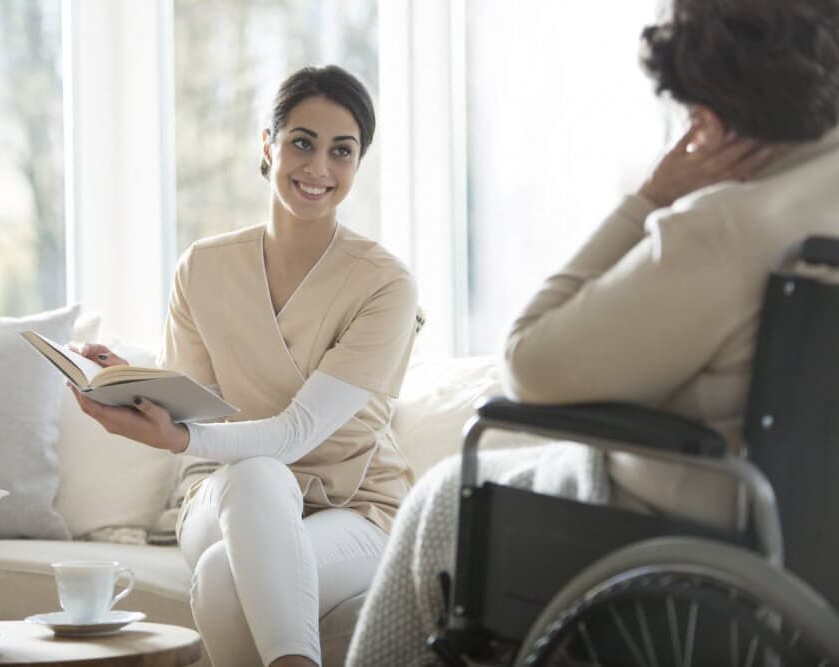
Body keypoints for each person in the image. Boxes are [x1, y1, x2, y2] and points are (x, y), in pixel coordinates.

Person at [346, 0, 839, 663]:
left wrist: (649, 201)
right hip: (813, 547)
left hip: (692, 537)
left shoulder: (727, 229)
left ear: (714, 119)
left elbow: (527, 358)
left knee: (438, 497)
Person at [70, 65, 420, 667]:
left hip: (357, 510)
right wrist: (134, 387)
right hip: (224, 493)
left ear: (359, 163)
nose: (318, 168)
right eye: (302, 142)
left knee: (226, 576)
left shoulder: (384, 284)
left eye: (342, 151)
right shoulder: (203, 268)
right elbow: (194, 403)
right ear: (268, 144)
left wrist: (178, 436)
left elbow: (296, 434)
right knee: (259, 477)